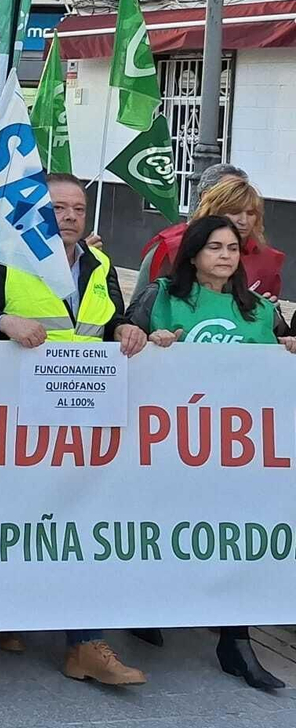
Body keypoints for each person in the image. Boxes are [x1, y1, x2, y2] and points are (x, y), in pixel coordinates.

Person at [0, 172, 149, 683]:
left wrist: (128, 329)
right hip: (17, 422)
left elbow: (111, 324)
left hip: (86, 420)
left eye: (77, 210)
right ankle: (2, 613)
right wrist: (4, 323)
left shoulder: (100, 264)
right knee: (19, 522)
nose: (69, 217)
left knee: (80, 524)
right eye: (57, 208)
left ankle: (84, 644)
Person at [123, 214, 296, 691]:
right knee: (165, 528)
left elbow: (276, 366)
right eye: (215, 247)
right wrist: (145, 341)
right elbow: (121, 347)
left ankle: (236, 641)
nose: (226, 256)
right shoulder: (161, 299)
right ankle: (146, 606)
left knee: (235, 537)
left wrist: (287, 349)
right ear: (194, 253)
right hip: (171, 445)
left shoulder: (259, 311)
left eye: (233, 249)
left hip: (238, 452)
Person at [141, 176, 284, 297]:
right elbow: (144, 303)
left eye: (250, 213)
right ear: (215, 210)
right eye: (235, 212)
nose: (243, 221)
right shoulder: (173, 248)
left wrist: (270, 311)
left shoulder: (267, 260)